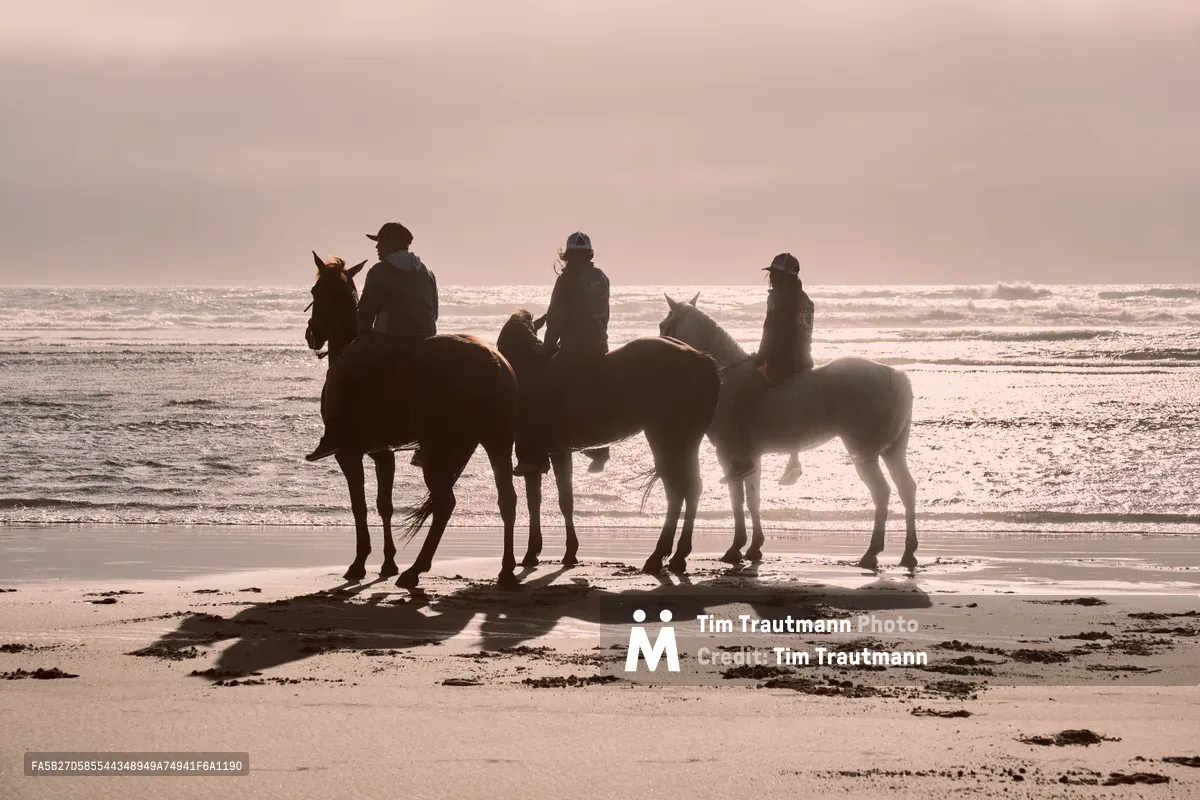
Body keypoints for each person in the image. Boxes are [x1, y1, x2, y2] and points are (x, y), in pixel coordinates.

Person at [305, 222, 438, 462]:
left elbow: (366, 311)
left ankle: (332, 436)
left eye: (380, 242)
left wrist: (363, 336)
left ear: (391, 243)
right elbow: (434, 310)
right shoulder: (427, 271)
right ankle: (427, 442)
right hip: (427, 341)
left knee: (337, 373)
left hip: (391, 340)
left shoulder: (379, 271)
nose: (377, 247)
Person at [513, 232, 610, 477]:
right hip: (600, 346)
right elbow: (604, 315)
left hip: (575, 350)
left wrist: (546, 347)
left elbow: (556, 318)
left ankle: (535, 458)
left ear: (568, 256)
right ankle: (601, 450)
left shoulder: (566, 280)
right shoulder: (601, 277)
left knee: (536, 391)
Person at [722, 252, 814, 484]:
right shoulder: (805, 300)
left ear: (783, 277)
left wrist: (762, 358)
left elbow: (772, 331)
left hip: (782, 365)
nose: (771, 280)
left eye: (774, 275)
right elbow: (800, 337)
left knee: (741, 403)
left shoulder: (778, 299)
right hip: (804, 362)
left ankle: (744, 461)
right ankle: (791, 457)